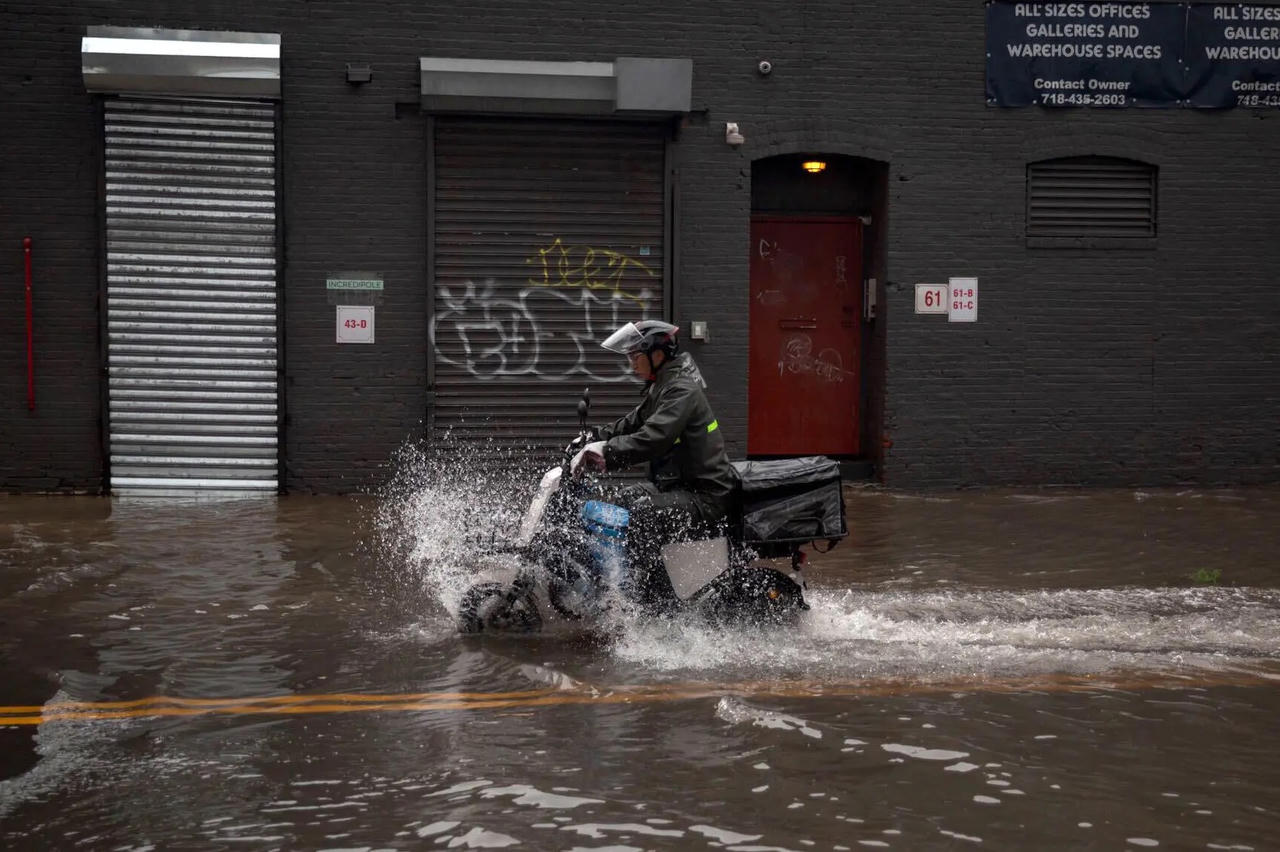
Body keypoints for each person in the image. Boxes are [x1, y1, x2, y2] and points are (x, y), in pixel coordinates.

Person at [571, 320, 737, 608]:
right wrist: (594, 437)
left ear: (657, 354)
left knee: (643, 514)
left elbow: (654, 437)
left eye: (635, 357)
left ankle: (653, 602)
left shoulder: (680, 390)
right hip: (679, 487)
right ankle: (616, 579)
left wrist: (605, 452)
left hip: (705, 496)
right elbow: (632, 423)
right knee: (624, 500)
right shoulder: (663, 387)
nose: (632, 365)